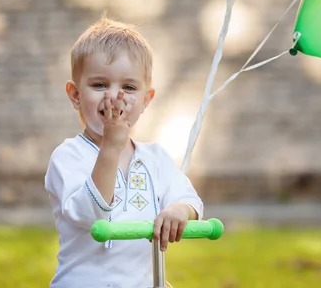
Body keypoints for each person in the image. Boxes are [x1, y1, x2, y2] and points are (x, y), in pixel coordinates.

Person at [44, 16, 204, 288]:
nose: (114, 97)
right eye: (100, 85)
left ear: (145, 100)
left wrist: (180, 210)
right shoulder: (68, 157)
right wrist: (110, 146)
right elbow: (89, 215)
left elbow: (190, 200)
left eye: (128, 87)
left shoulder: (155, 158)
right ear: (75, 95)